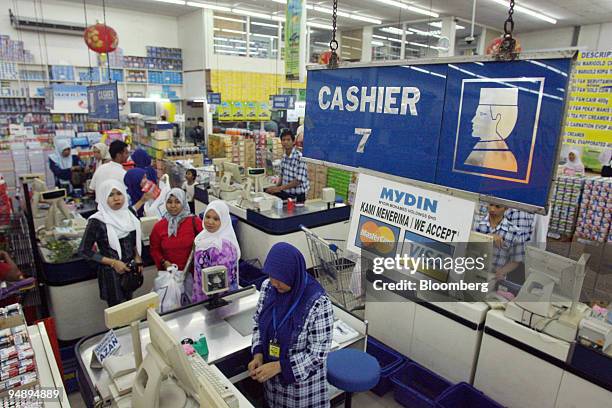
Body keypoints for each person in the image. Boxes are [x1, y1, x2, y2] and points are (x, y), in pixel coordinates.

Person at [248, 242, 333, 408]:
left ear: (293, 275)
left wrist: (280, 366)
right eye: (271, 276)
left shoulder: (317, 302)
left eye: (280, 279)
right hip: (272, 384)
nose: (274, 283)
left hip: (302, 391)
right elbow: (258, 322)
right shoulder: (268, 287)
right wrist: (257, 353)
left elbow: (318, 353)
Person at [78, 179, 143, 307]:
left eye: (119, 193)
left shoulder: (129, 214)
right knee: (118, 315)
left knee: (130, 309)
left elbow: (135, 240)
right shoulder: (97, 221)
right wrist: (113, 263)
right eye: (110, 195)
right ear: (103, 197)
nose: (116, 198)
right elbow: (84, 250)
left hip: (130, 271)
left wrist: (137, 258)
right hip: (111, 275)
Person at [192, 200, 240, 302]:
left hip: (217, 301)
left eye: (216, 219)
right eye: (208, 217)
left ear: (223, 221)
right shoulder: (202, 237)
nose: (210, 222)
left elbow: (221, 284)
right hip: (201, 292)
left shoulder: (223, 247)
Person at [150, 188, 202, 273]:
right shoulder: (159, 226)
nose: (173, 205)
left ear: (184, 203)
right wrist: (163, 262)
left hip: (193, 274)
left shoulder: (195, 222)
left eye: (177, 202)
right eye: (169, 202)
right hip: (169, 273)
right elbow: (154, 249)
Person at [474, 203, 526, 283]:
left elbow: (516, 260)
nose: (492, 209)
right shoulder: (475, 223)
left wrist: (502, 271)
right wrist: (488, 238)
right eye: (491, 205)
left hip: (494, 279)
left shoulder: (515, 232)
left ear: (506, 208)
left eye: (497, 206)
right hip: (471, 273)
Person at [265, 129, 309, 203]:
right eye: (283, 140)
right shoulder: (284, 157)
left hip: (297, 196)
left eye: (288, 140)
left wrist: (279, 188)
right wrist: (275, 187)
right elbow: (282, 175)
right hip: (286, 194)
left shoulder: (300, 158)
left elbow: (298, 181)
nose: (285, 142)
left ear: (293, 141)